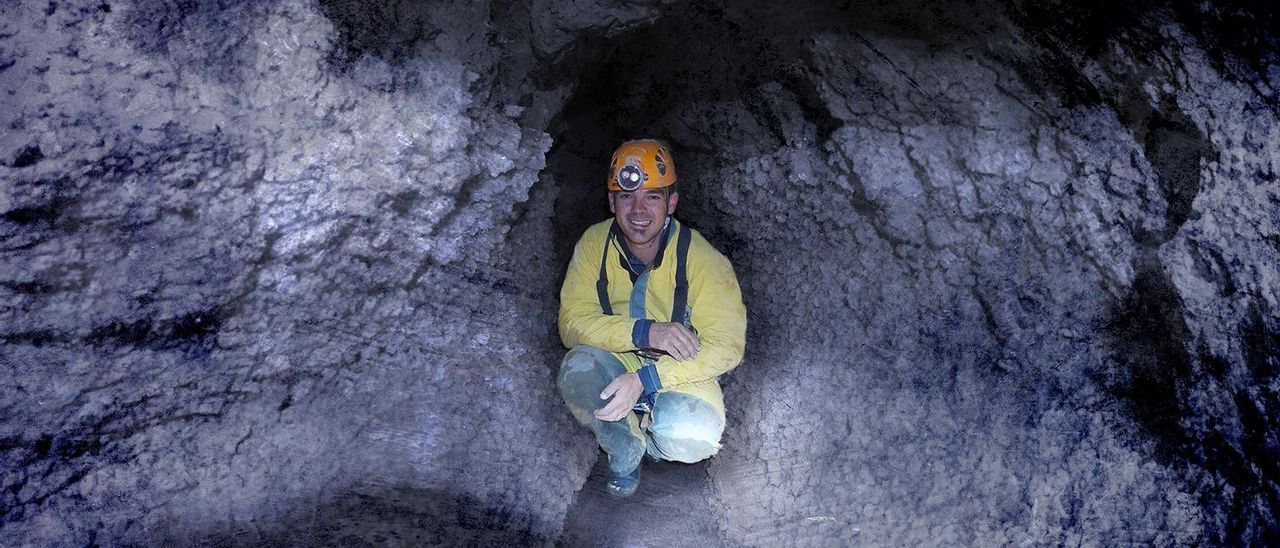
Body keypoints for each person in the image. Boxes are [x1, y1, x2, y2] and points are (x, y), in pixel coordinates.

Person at [556, 139, 747, 498]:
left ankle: (653, 441)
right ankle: (625, 448)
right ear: (612, 201)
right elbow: (572, 321)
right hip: (617, 356)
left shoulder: (704, 259)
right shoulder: (593, 244)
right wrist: (645, 331)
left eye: (653, 197)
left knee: (694, 435)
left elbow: (727, 347)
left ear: (671, 202)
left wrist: (647, 378)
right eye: (627, 197)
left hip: (679, 370)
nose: (638, 209)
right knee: (577, 369)